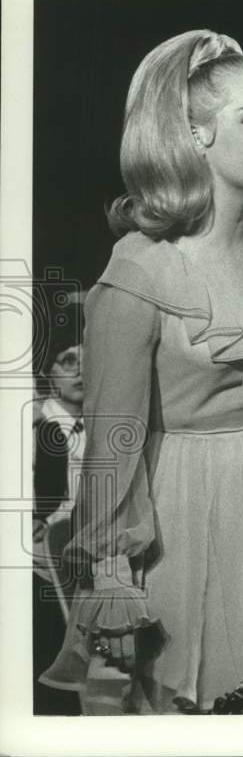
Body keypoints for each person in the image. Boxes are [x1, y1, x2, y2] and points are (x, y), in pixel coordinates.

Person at [40, 30, 243, 713]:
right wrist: (112, 571)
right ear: (193, 134)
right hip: (181, 515)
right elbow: (115, 437)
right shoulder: (141, 267)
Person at [32, 301, 86, 715]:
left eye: (88, 360)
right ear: (47, 372)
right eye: (69, 361)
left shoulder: (102, 427)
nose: (81, 370)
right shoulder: (34, 431)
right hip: (43, 568)